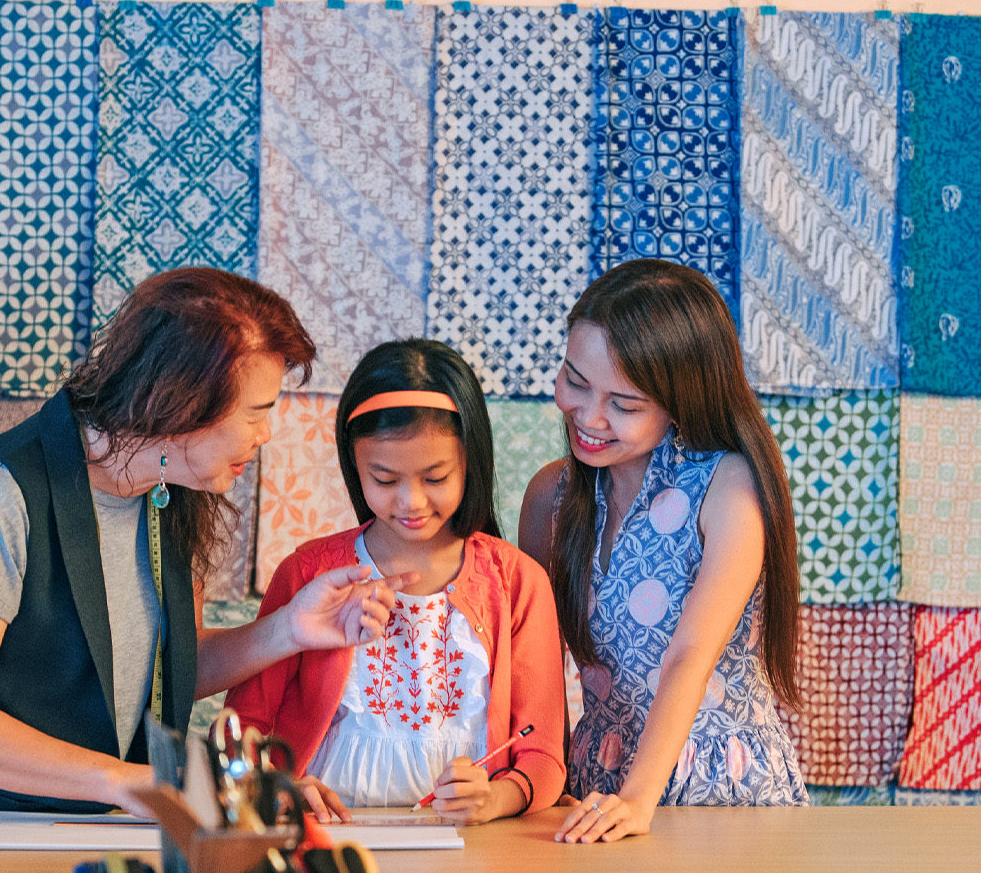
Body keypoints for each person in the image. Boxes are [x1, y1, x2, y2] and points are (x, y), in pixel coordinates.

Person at [0, 269, 411, 813]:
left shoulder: (171, 488)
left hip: (75, 836)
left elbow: (165, 670)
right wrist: (126, 782)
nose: (265, 436)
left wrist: (289, 630)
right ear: (183, 402)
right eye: (255, 414)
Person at [518, 259, 805, 843]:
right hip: (597, 786)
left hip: (719, 795)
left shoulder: (726, 487)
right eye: (575, 381)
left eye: (624, 404)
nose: (589, 418)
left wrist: (639, 797)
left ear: (680, 401)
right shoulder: (551, 496)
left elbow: (689, 655)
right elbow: (535, 663)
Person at [226, 339, 565, 824]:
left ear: (471, 461)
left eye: (435, 477)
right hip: (327, 836)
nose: (410, 501)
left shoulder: (517, 582)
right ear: (353, 466)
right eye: (384, 480)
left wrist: (495, 799)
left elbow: (544, 755)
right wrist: (277, 786)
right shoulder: (307, 572)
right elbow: (243, 729)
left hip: (474, 850)